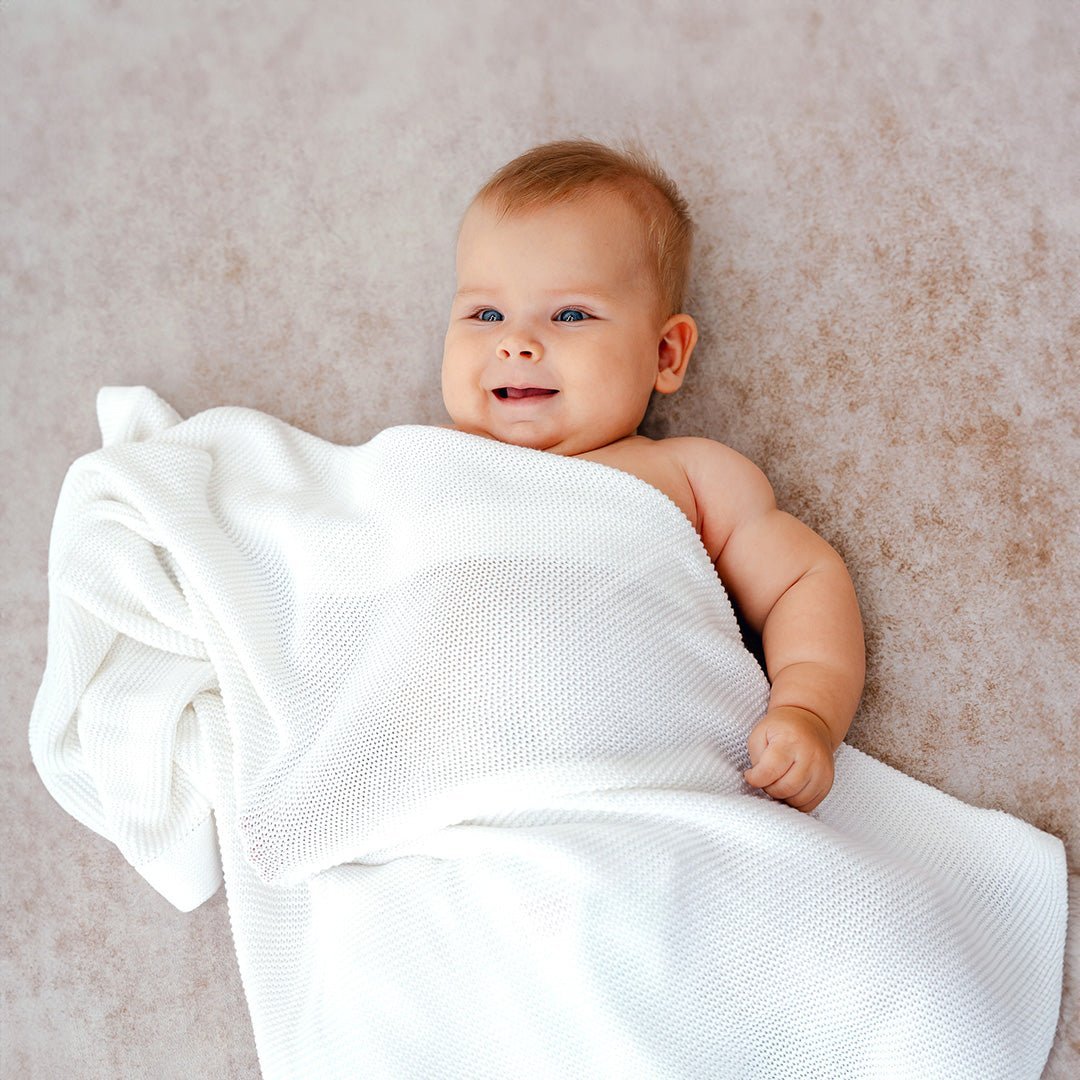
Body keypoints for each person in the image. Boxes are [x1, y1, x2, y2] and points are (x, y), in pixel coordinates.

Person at [440, 139, 865, 813]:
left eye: (570, 314)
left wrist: (808, 711)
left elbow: (802, 581)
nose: (514, 342)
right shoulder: (425, 464)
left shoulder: (687, 475)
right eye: (485, 314)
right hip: (454, 779)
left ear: (665, 353)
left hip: (637, 779)